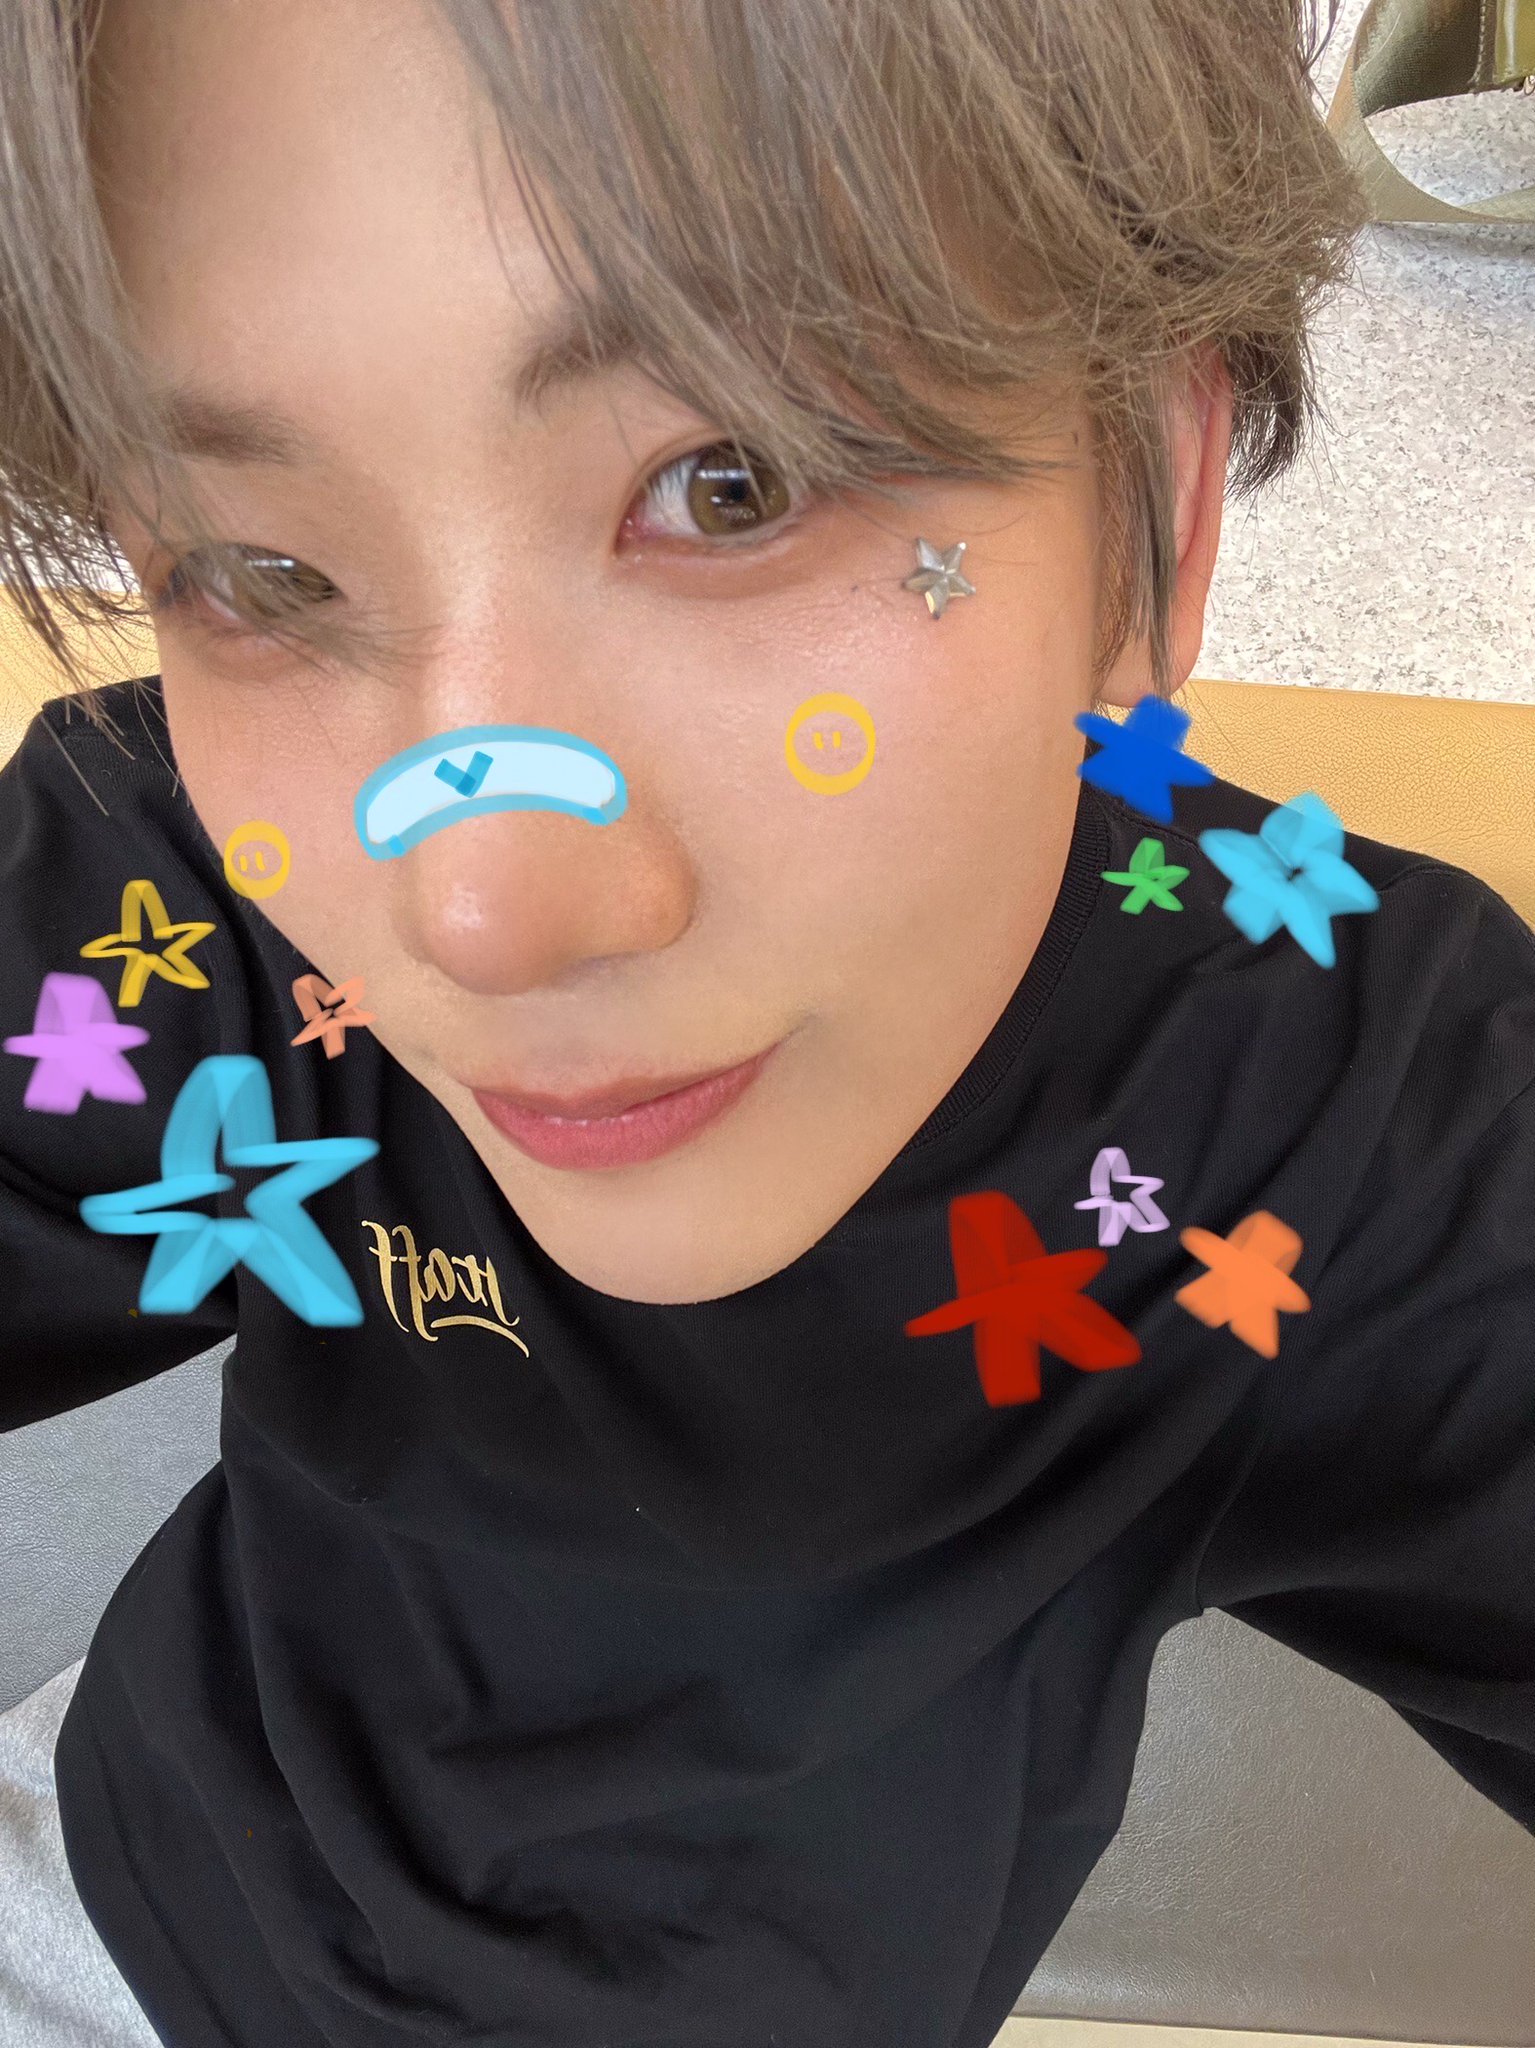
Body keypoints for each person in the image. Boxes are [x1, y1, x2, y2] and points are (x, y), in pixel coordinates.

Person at [0, 0, 1531, 2043]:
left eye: (734, 486)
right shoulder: (188, 904)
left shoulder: (1331, 1107)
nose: (480, 910)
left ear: (1149, 509)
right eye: (261, 572)